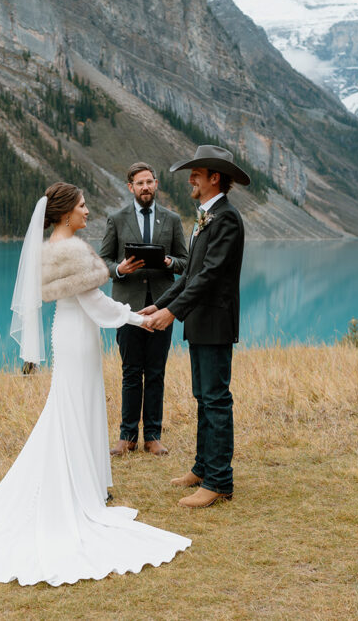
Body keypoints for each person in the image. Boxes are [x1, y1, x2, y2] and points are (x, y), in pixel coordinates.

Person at [0, 183, 191, 586]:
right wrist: (140, 318)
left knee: (72, 405)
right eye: (81, 206)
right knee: (74, 405)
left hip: (71, 331)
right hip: (77, 337)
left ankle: (84, 484)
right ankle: (77, 491)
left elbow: (85, 301)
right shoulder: (72, 249)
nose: (88, 211)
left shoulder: (56, 246)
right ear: (63, 213)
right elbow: (98, 304)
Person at [141, 145, 248, 509]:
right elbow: (189, 274)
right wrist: (160, 303)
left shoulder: (227, 219)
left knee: (216, 400)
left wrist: (172, 314)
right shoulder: (206, 217)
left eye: (196, 174)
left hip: (215, 322)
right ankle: (202, 468)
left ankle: (220, 482)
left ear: (213, 177)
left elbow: (210, 276)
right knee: (203, 398)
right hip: (201, 322)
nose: (191, 179)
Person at [99, 163, 188, 457]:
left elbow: (186, 263)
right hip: (127, 309)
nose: (145, 187)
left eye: (149, 182)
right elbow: (103, 263)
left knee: (156, 372)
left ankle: (152, 436)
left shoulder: (172, 220)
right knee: (130, 371)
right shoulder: (116, 219)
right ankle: (127, 437)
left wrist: (169, 263)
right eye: (139, 183)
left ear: (156, 184)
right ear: (130, 187)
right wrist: (121, 269)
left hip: (162, 307)